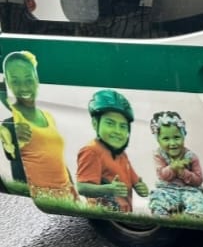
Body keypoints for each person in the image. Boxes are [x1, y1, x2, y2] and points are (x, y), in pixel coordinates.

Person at [1, 50, 79, 201]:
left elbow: (58, 159)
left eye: (29, 80)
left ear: (37, 80)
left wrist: (74, 193)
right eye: (15, 81)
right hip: (46, 197)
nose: (23, 87)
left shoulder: (47, 116)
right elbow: (14, 163)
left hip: (68, 196)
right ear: (8, 84)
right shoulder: (12, 124)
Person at [76, 89, 149, 212]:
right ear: (95, 123)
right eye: (110, 123)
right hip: (104, 213)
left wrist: (140, 186)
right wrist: (109, 189)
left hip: (123, 213)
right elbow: (82, 187)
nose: (117, 131)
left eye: (123, 126)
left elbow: (134, 179)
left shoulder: (121, 153)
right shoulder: (91, 151)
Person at [147, 111, 203, 216]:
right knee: (157, 198)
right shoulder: (159, 155)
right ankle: (161, 217)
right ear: (158, 140)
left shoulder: (191, 156)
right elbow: (162, 175)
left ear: (183, 136)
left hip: (190, 191)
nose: (172, 143)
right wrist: (173, 167)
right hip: (167, 189)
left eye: (176, 137)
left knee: (198, 201)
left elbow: (198, 180)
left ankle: (191, 219)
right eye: (166, 139)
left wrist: (183, 172)